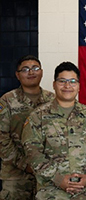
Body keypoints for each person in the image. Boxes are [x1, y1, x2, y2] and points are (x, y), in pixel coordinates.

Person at [21, 62, 86, 199]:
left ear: (79, 86)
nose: (67, 86)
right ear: (54, 84)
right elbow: (32, 153)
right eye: (62, 81)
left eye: (73, 81)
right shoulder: (38, 117)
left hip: (85, 193)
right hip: (51, 193)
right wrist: (57, 178)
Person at [0, 55, 55, 199]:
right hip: (16, 176)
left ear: (42, 72)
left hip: (47, 175)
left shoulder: (53, 100)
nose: (31, 72)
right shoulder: (7, 101)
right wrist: (25, 165)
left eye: (35, 68)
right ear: (17, 75)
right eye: (25, 69)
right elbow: (2, 138)